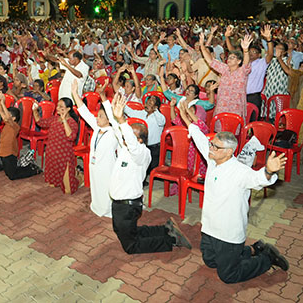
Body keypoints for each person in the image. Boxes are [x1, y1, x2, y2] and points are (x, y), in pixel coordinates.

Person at [187, 120, 289, 283]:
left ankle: (267, 258)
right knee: (210, 261)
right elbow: (200, 139)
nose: (210, 148)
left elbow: (257, 178)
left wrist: (269, 171)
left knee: (228, 275)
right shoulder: (214, 159)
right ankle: (253, 249)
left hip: (228, 233)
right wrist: (188, 120)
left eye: (215, 147)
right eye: (211, 144)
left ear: (229, 152)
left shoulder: (239, 172)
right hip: (209, 228)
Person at [108, 93, 191, 254]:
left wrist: (122, 120)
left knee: (131, 246)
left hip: (128, 205)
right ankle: (165, 229)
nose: (125, 137)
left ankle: (172, 241)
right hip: (120, 204)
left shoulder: (141, 153)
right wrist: (110, 107)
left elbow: (129, 139)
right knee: (125, 231)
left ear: (139, 140)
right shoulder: (125, 148)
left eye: (130, 135)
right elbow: (117, 129)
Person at [71, 80, 117, 217]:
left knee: (106, 188)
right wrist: (75, 94)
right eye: (98, 115)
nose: (97, 118)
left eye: (101, 116)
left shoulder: (114, 132)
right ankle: (97, 206)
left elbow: (114, 118)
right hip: (95, 163)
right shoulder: (97, 128)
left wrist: (103, 98)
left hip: (107, 166)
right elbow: (84, 112)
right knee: (96, 187)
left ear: (109, 120)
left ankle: (107, 209)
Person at [198, 32, 252, 123]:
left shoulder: (242, 71)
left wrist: (245, 50)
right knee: (219, 128)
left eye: (232, 58)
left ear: (239, 61)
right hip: (222, 106)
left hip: (235, 108)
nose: (229, 59)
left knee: (233, 129)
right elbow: (210, 61)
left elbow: (246, 63)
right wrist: (202, 46)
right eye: (229, 57)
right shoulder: (224, 69)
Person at [33, 97, 80, 194]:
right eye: (57, 106)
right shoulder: (54, 119)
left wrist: (64, 120)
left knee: (68, 191)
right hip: (52, 155)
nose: (57, 108)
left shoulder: (72, 122)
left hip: (64, 157)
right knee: (52, 184)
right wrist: (35, 110)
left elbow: (71, 136)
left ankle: (80, 177)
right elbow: (40, 122)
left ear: (68, 109)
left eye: (61, 106)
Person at [0, 93, 41, 180]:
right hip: (3, 151)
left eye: (8, 114)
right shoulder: (7, 122)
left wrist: (3, 104)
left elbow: (8, 117)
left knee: (12, 176)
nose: (5, 116)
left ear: (13, 118)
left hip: (10, 153)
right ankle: (26, 166)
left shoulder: (15, 126)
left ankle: (33, 169)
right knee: (9, 172)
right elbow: (0, 111)